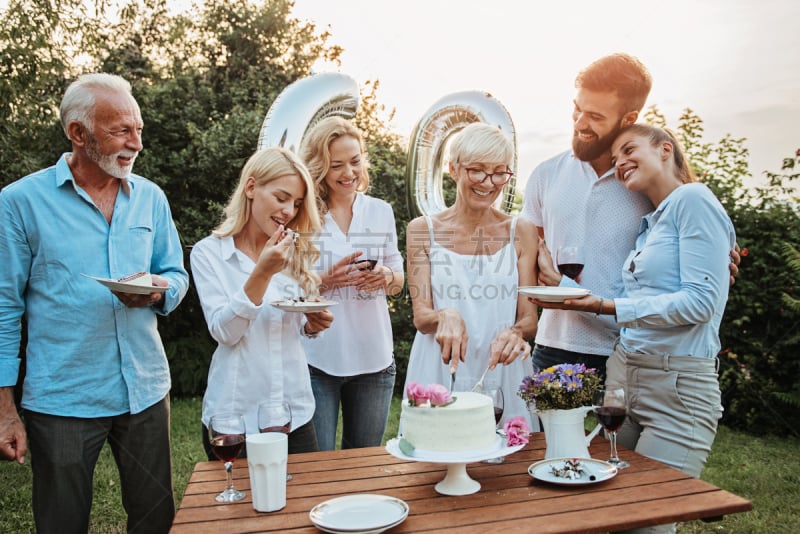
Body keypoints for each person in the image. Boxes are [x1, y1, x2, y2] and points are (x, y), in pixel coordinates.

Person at [0, 73, 189, 533]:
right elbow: (5, 308)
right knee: (61, 523)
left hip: (144, 389)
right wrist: (5, 408)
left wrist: (159, 290)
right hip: (63, 398)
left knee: (155, 520)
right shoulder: (19, 203)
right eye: (120, 130)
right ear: (78, 133)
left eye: (138, 129)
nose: (135, 143)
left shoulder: (150, 198)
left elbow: (177, 275)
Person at [535, 124, 735, 534]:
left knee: (644, 523)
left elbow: (701, 303)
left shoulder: (694, 200)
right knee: (598, 507)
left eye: (629, 149)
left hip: (675, 391)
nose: (620, 161)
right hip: (625, 379)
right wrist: (564, 288)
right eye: (614, 158)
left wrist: (607, 306)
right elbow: (648, 294)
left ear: (665, 149)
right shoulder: (651, 223)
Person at [521, 53, 739, 379]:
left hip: (632, 348)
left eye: (594, 115)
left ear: (629, 117)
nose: (580, 122)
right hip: (556, 342)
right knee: (544, 432)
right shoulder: (546, 174)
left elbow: (700, 257)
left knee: (619, 432)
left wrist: (722, 263)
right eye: (577, 108)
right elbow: (529, 253)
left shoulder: (647, 180)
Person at [191, 146, 333, 456]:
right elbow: (225, 332)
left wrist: (312, 325)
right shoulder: (208, 254)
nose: (288, 211)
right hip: (235, 417)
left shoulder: (294, 252)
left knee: (304, 503)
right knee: (239, 504)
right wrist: (263, 272)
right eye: (281, 198)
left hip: (293, 412)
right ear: (252, 187)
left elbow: (286, 327)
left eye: (295, 204)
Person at [404, 122, 538, 428]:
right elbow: (422, 316)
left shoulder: (522, 231)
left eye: (499, 172)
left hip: (503, 369)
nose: (488, 183)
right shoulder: (422, 230)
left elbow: (529, 319)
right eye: (476, 170)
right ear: (453, 169)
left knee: (509, 471)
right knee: (436, 464)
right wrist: (444, 315)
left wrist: (515, 333)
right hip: (440, 368)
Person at [298, 117, 405, 450]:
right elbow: (285, 287)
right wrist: (327, 280)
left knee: (363, 465)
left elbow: (399, 279)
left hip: (374, 360)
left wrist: (386, 276)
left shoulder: (380, 211)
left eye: (355, 161)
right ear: (319, 167)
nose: (349, 173)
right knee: (319, 466)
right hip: (318, 359)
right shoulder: (303, 215)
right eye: (337, 165)